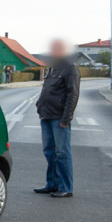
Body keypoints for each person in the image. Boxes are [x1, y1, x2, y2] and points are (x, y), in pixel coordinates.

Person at [34, 39, 80, 197]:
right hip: (46, 115)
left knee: (62, 153)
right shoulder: (52, 67)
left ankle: (66, 187)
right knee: (49, 152)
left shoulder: (70, 68)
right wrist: (39, 105)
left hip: (59, 117)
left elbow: (72, 94)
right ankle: (52, 184)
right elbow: (47, 89)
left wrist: (66, 118)